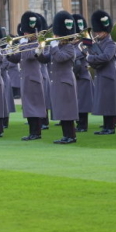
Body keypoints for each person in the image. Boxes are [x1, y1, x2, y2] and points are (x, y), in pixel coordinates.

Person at [7, 12, 49, 141]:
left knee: (34, 106)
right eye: (25, 32)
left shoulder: (39, 43)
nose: (25, 34)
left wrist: (36, 50)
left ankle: (36, 132)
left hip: (34, 78)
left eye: (27, 32)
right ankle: (32, 132)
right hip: (25, 78)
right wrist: (9, 53)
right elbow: (17, 59)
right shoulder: (24, 43)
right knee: (29, 107)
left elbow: (35, 56)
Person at [86, 10, 116, 135]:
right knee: (104, 102)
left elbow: (106, 57)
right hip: (101, 75)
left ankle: (110, 127)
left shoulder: (111, 42)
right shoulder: (99, 42)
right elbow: (96, 57)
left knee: (109, 102)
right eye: (96, 31)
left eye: (99, 31)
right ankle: (106, 126)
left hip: (109, 75)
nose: (97, 33)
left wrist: (90, 58)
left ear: (106, 30)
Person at [49, 11, 79, 144]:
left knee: (67, 110)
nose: (55, 37)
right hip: (58, 81)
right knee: (62, 109)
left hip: (65, 81)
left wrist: (54, 47)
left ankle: (71, 136)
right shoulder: (59, 46)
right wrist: (39, 52)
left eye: (57, 35)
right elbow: (47, 59)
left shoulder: (69, 48)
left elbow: (60, 58)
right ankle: (66, 135)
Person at [72, 14, 94, 132]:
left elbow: (81, 54)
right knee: (77, 102)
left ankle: (83, 125)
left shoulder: (85, 43)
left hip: (83, 75)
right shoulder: (75, 44)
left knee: (83, 103)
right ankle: (78, 123)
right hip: (75, 77)